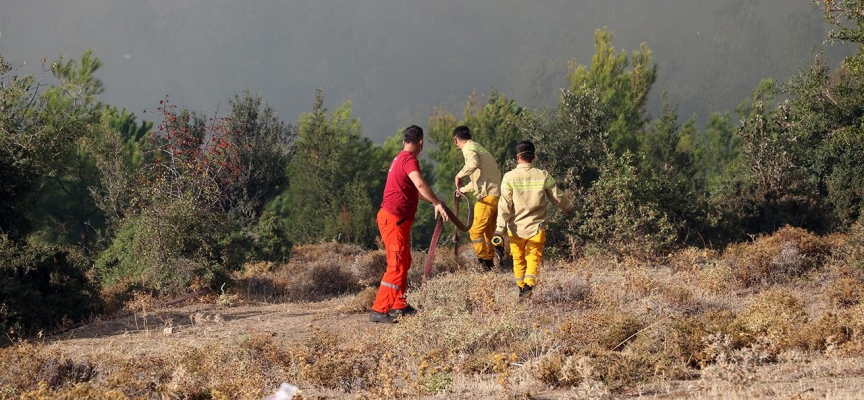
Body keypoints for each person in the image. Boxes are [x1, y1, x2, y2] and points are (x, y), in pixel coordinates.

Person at [371, 125, 449, 323]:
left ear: (404, 140)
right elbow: (420, 184)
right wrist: (437, 202)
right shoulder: (408, 160)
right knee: (397, 264)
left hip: (395, 219)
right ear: (420, 142)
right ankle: (379, 310)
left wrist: (434, 201)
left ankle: (399, 305)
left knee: (404, 261)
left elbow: (415, 190)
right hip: (394, 219)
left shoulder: (399, 158)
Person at [494, 140, 572, 298]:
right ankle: (529, 286)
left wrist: (499, 230)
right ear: (534, 157)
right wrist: (569, 208)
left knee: (518, 259)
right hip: (537, 228)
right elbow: (557, 197)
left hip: (515, 229)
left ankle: (522, 289)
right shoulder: (543, 175)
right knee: (533, 257)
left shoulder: (509, 177)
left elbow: (504, 205)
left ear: (517, 157)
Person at [453, 126, 503, 271]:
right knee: (487, 233)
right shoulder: (478, 148)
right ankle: (491, 262)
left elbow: (472, 164)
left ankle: (485, 263)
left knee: (475, 231)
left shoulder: (468, 148)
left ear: (455, 140)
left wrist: (459, 175)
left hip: (487, 197)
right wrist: (462, 190)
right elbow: (477, 181)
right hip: (495, 196)